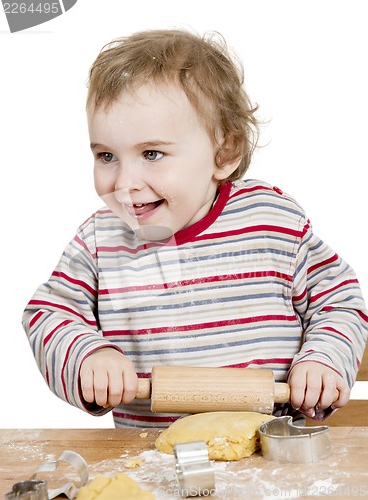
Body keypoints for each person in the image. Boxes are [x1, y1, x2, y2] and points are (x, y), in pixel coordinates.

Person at [22, 29, 367, 428]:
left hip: (272, 455)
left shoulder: (272, 222)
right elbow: (47, 313)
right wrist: (87, 355)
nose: (124, 182)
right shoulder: (100, 242)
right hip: (152, 463)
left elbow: (339, 302)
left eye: (152, 154)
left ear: (225, 152)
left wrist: (323, 359)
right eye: (106, 156)